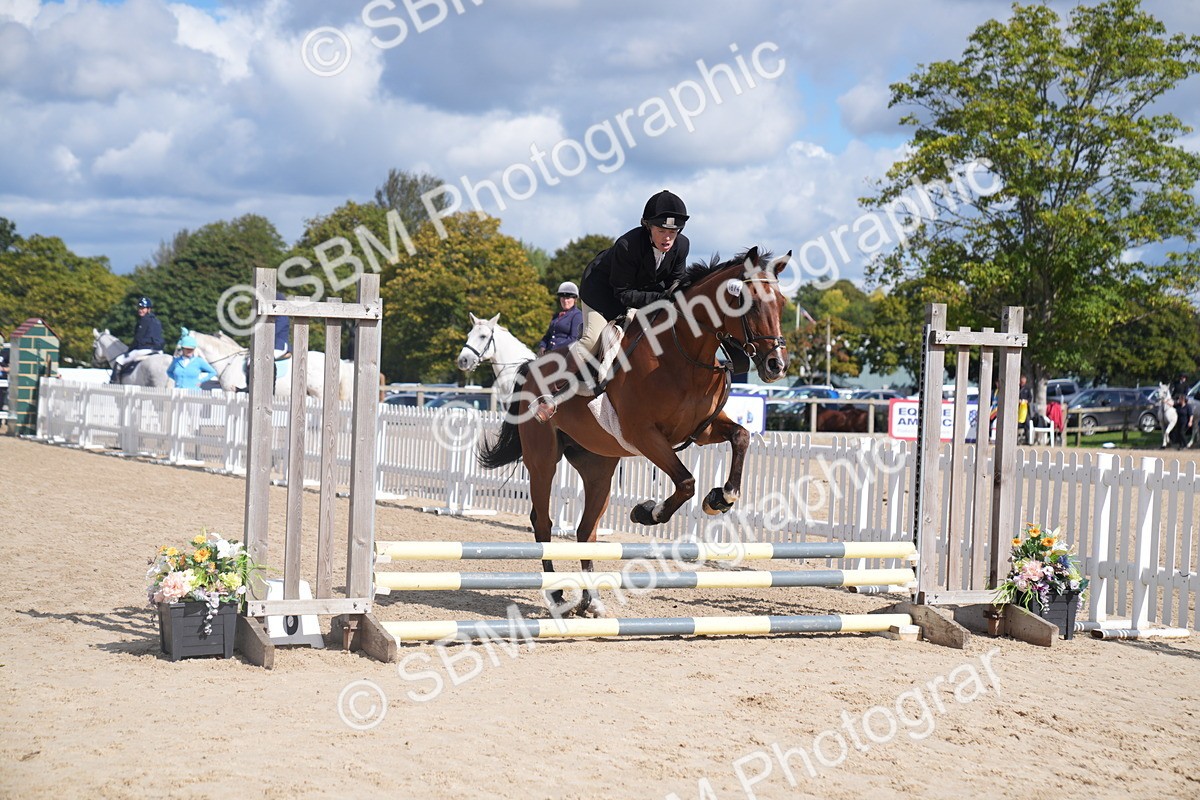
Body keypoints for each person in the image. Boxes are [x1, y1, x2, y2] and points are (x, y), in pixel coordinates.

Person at [530, 190, 691, 422]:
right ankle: (554, 391)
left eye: (672, 232)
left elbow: (675, 283)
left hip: (643, 294)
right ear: (648, 228)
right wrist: (661, 298)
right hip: (602, 294)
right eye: (661, 231)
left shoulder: (681, 247)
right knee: (593, 339)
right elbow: (623, 294)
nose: (667, 238)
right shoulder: (628, 245)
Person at [111, 297, 164, 381]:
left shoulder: (142, 321)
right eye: (139, 308)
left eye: (143, 308)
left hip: (144, 350)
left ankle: (113, 382)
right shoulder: (157, 321)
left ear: (148, 309)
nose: (140, 310)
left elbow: (138, 339)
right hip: (159, 351)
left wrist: (129, 351)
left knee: (119, 360)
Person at [535, 282, 583, 357]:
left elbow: (574, 338)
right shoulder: (556, 316)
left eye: (568, 298)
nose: (565, 301)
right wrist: (542, 346)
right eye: (563, 298)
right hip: (549, 353)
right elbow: (548, 335)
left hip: (565, 354)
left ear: (575, 299)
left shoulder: (577, 315)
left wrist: (555, 348)